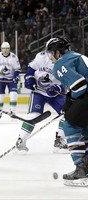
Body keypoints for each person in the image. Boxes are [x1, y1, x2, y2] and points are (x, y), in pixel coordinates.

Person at [47, 37, 88, 184]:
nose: (51, 57)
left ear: (58, 52)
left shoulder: (61, 64)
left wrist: (70, 101)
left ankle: (81, 170)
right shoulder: (77, 56)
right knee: (85, 128)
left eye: (51, 53)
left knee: (70, 125)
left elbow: (80, 86)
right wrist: (70, 99)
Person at [15, 39, 67, 153]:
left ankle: (60, 140)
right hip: (38, 92)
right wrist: (29, 79)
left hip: (55, 94)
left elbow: (67, 82)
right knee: (34, 115)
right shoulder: (41, 57)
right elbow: (30, 69)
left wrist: (58, 88)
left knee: (68, 114)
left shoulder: (65, 62)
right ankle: (21, 141)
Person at [0, 41, 21, 120]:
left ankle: (13, 111)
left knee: (13, 95)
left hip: (11, 79)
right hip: (1, 79)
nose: (5, 50)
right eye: (4, 48)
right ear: (1, 49)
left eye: (7, 48)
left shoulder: (13, 57)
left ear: (9, 49)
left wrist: (15, 77)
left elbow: (17, 69)